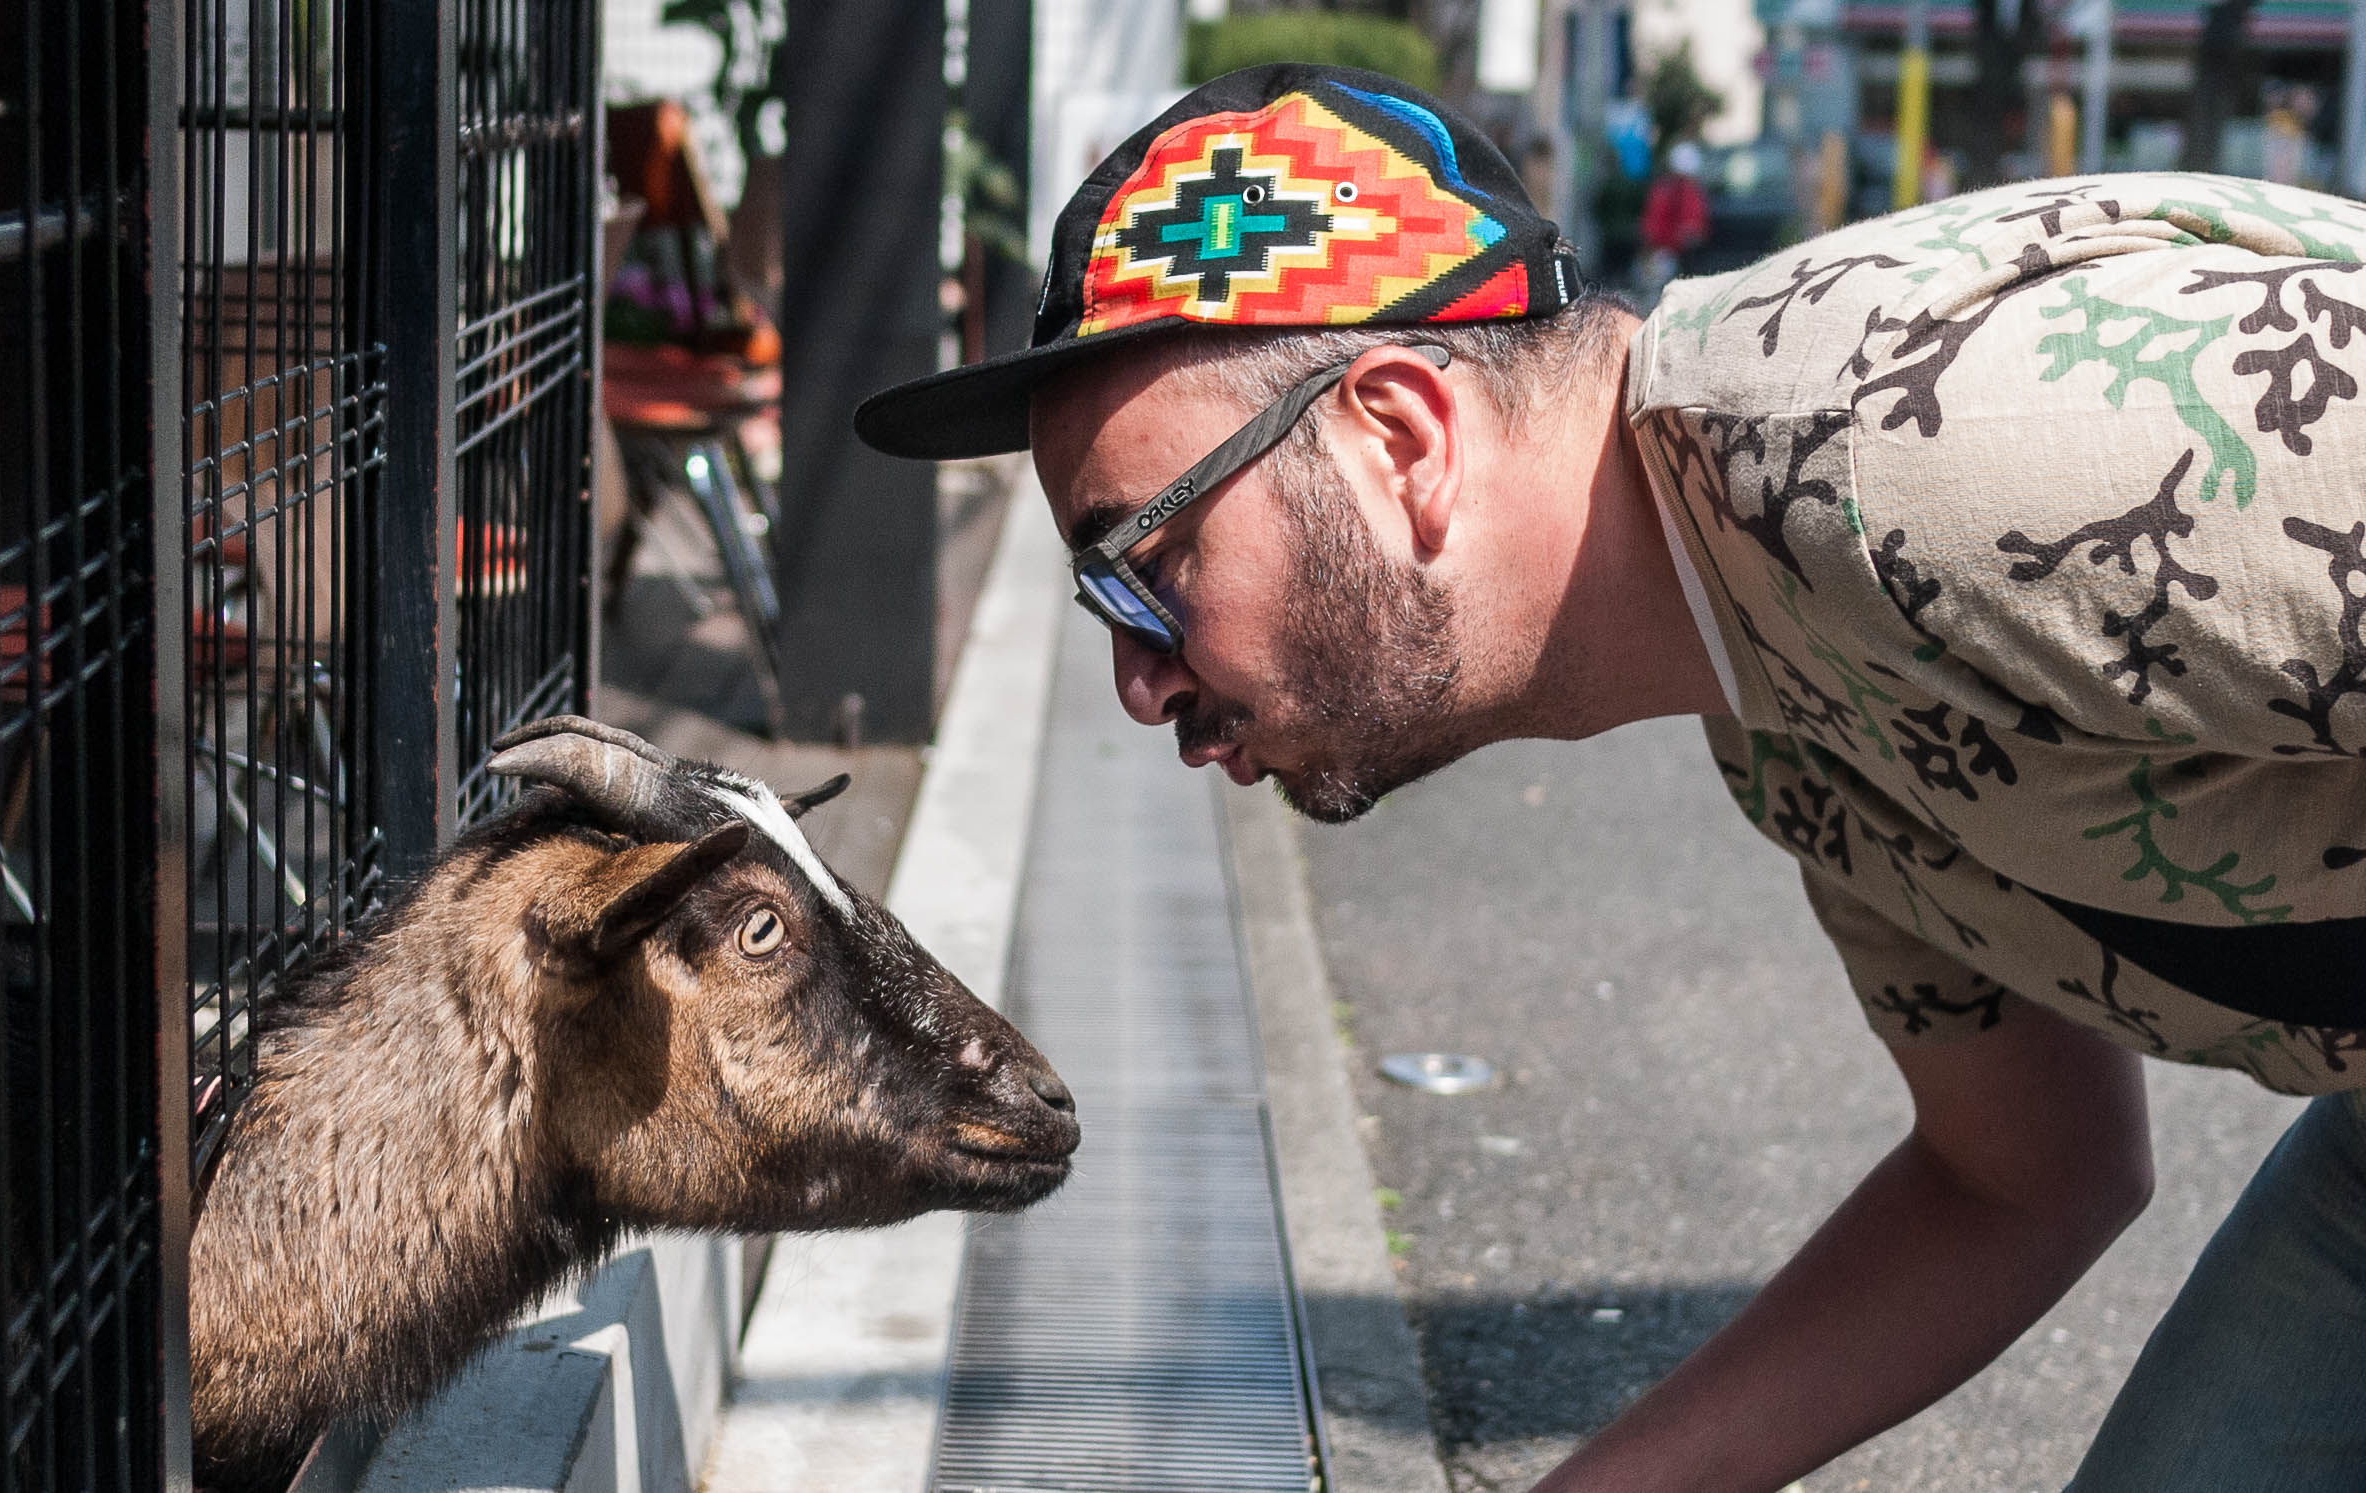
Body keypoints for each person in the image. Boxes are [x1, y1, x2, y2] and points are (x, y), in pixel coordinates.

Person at [852, 63, 2366, 1493]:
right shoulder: (1781, 706)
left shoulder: (1931, 455)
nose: (1139, 676)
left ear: (1401, 437)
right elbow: (2024, 1178)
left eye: (1146, 561)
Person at [1638, 138, 1711, 292]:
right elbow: (1654, 225)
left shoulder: (1688, 191)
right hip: (1665, 252)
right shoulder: (1671, 190)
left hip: (1681, 252)